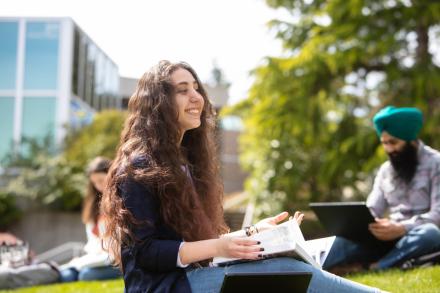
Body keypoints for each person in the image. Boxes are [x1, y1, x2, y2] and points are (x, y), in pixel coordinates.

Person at [101, 60, 382, 292]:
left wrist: (253, 232)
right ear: (158, 103)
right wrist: (221, 246)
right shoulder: (137, 167)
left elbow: (204, 244)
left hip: (190, 278)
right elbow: (145, 252)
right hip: (163, 287)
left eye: (196, 88)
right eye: (182, 90)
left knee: (294, 269)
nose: (196, 97)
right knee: (286, 272)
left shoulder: (184, 164)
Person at [324, 106, 440, 272]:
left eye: (393, 142)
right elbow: (373, 208)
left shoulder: (436, 163)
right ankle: (307, 267)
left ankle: (376, 267)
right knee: (342, 240)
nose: (389, 149)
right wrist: (364, 224)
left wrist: (401, 228)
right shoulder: (386, 170)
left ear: (410, 140)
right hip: (386, 237)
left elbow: (438, 215)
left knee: (430, 233)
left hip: (417, 236)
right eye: (384, 143)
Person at [59, 157, 121, 282]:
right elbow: (92, 241)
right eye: (94, 183)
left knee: (86, 275)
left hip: (117, 260)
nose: (98, 186)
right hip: (98, 257)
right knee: (67, 275)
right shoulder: (93, 206)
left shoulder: (122, 200)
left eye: (101, 180)